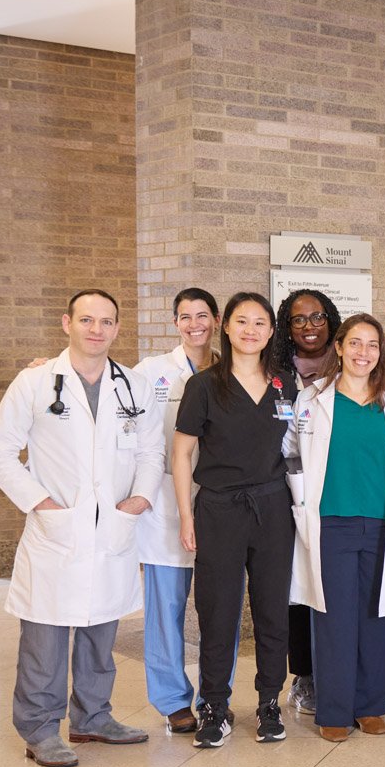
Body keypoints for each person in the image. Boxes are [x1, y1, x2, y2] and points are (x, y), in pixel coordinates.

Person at [0, 290, 160, 767]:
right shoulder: (36, 382)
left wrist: (140, 498)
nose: (95, 329)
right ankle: (40, 729)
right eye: (86, 319)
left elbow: (151, 452)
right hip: (57, 528)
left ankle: (93, 718)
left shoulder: (133, 386)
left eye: (105, 321)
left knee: (101, 631)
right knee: (45, 637)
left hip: (114, 529)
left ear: (117, 328)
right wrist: (40, 501)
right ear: (67, 323)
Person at [174, 292, 296, 749]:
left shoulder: (286, 384)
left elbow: (300, 448)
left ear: (270, 331)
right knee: (218, 611)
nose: (251, 330)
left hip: (273, 509)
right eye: (242, 321)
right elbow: (183, 452)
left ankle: (269, 701)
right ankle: (215, 706)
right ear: (226, 327)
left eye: (260, 323)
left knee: (271, 611)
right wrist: (187, 516)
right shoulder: (205, 385)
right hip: (219, 509)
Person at [285, 314, 385, 742]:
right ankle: (335, 710)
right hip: (330, 521)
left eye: (373, 345)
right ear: (339, 347)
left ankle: (371, 705)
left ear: (382, 352)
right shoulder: (312, 400)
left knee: (379, 615)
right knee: (333, 617)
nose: (364, 353)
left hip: (381, 522)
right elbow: (290, 450)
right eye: (355, 343)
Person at [132, 287, 218, 733]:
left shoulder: (232, 367)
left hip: (220, 501)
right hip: (167, 504)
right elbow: (107, 391)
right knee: (165, 607)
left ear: (216, 320)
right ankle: (172, 699)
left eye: (202, 315)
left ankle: (212, 697)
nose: (194, 324)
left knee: (216, 610)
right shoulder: (151, 371)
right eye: (185, 317)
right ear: (175, 323)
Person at [275, 288, 341, 718]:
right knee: (294, 588)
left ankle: (337, 668)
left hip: (335, 490)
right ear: (287, 327)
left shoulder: (349, 364)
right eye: (299, 319)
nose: (310, 326)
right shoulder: (275, 372)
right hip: (282, 492)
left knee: (334, 583)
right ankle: (304, 674)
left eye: (318, 317)